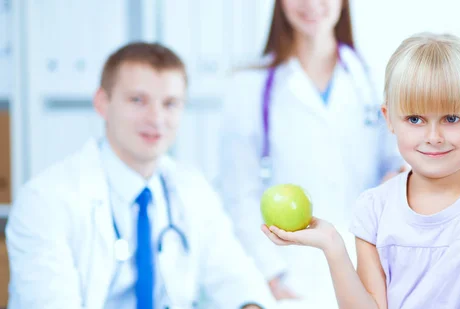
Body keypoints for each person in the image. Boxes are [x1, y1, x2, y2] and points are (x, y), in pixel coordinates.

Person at [262, 32, 460, 309]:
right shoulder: (373, 208)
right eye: (415, 119)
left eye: (451, 118)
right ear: (389, 119)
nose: (434, 136)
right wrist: (332, 244)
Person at [5, 42, 276, 309]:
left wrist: (249, 304)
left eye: (170, 103)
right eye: (138, 100)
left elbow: (236, 278)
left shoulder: (191, 188)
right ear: (102, 103)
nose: (156, 118)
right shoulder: (44, 201)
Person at [218, 0, 406, 305]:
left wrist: (398, 175)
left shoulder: (374, 80)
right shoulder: (247, 86)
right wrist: (272, 275)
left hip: (368, 271)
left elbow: (399, 158)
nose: (311, 4)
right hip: (290, 278)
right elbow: (238, 193)